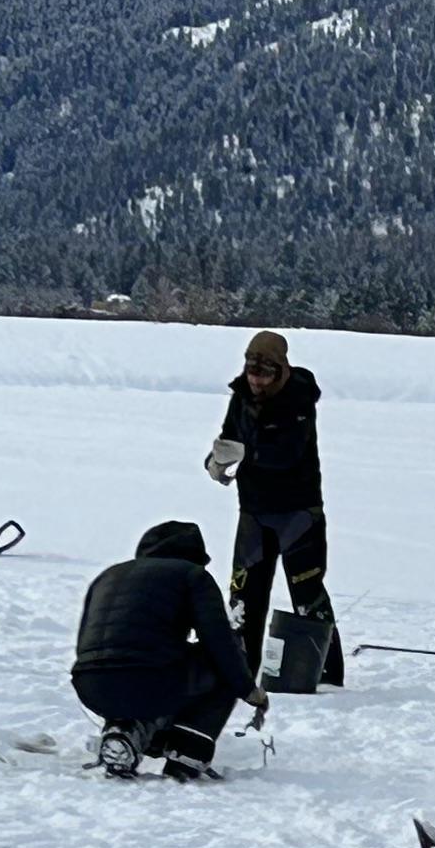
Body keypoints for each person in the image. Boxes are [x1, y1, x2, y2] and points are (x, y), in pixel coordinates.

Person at [69, 519, 256, 778]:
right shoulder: (192, 575)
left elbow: (88, 643)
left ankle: (125, 732)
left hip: (90, 684)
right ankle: (188, 749)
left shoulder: (109, 575)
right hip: (151, 680)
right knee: (225, 655)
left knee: (136, 674)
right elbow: (219, 642)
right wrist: (247, 688)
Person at [209, 330, 340, 688]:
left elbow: (286, 453)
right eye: (252, 373)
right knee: (244, 596)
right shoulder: (241, 396)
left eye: (264, 374)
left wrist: (245, 454)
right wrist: (217, 462)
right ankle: (240, 673)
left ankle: (328, 676)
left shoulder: (298, 399)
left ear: (280, 371)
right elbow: (230, 437)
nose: (256, 381)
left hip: (298, 511)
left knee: (307, 593)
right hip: (253, 510)